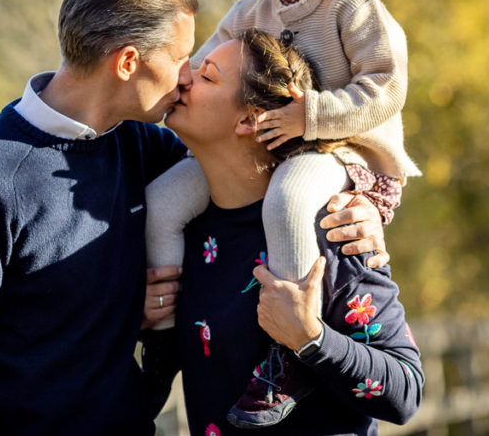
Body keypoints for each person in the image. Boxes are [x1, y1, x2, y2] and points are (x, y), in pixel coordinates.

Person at [0, 0, 389, 435]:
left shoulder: (144, 148)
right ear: (128, 63)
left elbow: (251, 159)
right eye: (182, 59)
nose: (188, 75)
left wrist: (360, 191)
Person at [145, 0, 420, 427]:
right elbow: (196, 68)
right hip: (275, 146)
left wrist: (311, 115)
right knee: (163, 201)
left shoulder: (351, 4)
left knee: (288, 201)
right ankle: (163, 318)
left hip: (341, 154)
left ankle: (286, 356)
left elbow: (386, 86)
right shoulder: (249, 15)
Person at [143, 29, 423, 435]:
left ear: (250, 119)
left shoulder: (330, 227)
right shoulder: (186, 235)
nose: (184, 78)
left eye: (208, 76)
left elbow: (405, 393)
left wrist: (310, 339)